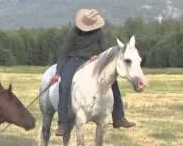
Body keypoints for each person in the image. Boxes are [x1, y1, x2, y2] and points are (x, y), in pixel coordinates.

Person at [50, 9, 136, 137]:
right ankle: (62, 124)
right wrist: (58, 73)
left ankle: (119, 118)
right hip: (73, 60)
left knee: (113, 82)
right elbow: (64, 53)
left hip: (91, 61)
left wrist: (97, 56)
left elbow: (106, 51)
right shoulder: (73, 32)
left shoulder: (99, 32)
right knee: (64, 85)